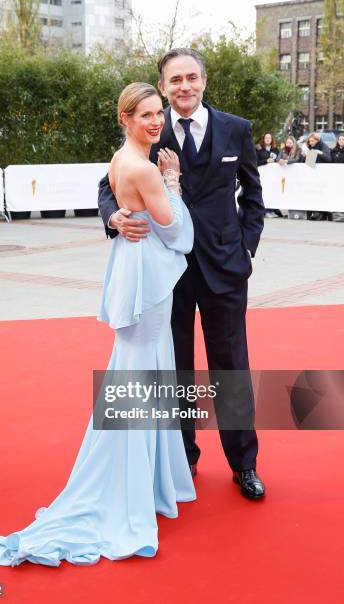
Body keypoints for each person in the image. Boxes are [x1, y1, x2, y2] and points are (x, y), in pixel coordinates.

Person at [0, 83, 196, 567]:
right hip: (149, 280)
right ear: (125, 117)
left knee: (140, 374)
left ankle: (148, 482)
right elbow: (179, 234)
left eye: (158, 113)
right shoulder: (143, 166)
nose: (155, 121)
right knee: (141, 377)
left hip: (136, 270)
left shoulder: (121, 159)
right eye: (145, 115)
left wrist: (131, 210)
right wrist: (174, 184)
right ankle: (127, 489)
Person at [99, 48, 266, 500]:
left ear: (204, 81)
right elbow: (108, 184)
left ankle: (243, 463)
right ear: (164, 85)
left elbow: (253, 195)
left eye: (191, 77)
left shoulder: (236, 129)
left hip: (226, 269)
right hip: (164, 272)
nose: (184, 86)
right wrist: (114, 217)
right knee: (174, 370)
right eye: (175, 80)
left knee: (230, 367)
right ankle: (182, 460)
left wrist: (246, 248)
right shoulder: (149, 127)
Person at [301, 133, 332, 220]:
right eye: (309, 141)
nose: (310, 143)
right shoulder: (310, 147)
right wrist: (304, 157)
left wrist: (320, 153)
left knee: (321, 194)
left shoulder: (324, 146)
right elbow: (308, 162)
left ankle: (321, 214)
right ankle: (312, 213)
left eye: (312, 141)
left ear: (317, 140)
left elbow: (329, 159)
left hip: (322, 175)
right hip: (312, 174)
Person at [256, 133, 282, 218]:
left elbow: (278, 159)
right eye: (266, 138)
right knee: (264, 192)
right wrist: (266, 161)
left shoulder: (275, 150)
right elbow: (256, 162)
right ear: (263, 139)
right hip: (263, 175)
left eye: (269, 138)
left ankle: (272, 209)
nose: (267, 139)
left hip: (273, 176)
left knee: (272, 192)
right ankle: (265, 211)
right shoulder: (258, 149)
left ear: (272, 139)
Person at [331, 134, 344, 222]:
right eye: (340, 139)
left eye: (343, 139)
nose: (341, 141)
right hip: (336, 177)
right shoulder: (334, 151)